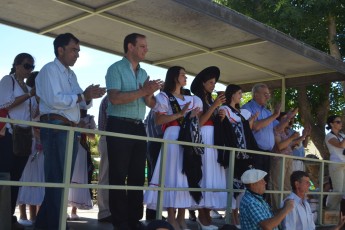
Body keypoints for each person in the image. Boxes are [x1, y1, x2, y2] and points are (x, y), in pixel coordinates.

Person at [34, 33, 106, 229]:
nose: (77, 54)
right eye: (74, 50)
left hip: (68, 128)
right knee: (58, 181)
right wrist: (83, 95)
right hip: (57, 128)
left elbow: (80, 101)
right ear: (60, 50)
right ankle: (53, 225)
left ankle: (45, 225)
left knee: (60, 182)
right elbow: (56, 99)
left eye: (78, 51)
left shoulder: (70, 74)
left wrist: (89, 96)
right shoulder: (49, 70)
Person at [105, 33, 162, 229]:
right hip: (119, 124)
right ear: (130, 47)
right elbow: (114, 98)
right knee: (119, 175)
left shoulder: (144, 73)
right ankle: (120, 222)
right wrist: (144, 91)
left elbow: (149, 103)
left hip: (139, 126)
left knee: (138, 175)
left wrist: (151, 94)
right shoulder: (115, 68)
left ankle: (134, 219)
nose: (146, 49)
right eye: (143, 46)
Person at [144, 66, 202, 230]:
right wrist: (179, 114)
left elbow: (198, 121)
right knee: (172, 176)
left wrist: (191, 117)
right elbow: (158, 121)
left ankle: (181, 218)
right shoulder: (164, 97)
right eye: (183, 75)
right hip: (172, 137)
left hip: (188, 140)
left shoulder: (192, 99)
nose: (186, 77)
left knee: (185, 176)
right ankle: (171, 217)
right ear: (174, 77)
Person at [0, 53, 38, 229]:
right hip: (8, 134)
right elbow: (4, 104)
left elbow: (33, 113)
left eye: (32, 66)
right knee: (5, 177)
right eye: (26, 65)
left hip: (23, 136)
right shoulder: (8, 80)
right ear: (16, 65)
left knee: (15, 179)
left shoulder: (25, 87)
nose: (29, 69)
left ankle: (8, 216)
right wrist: (30, 94)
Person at [215, 84, 259, 228]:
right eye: (239, 93)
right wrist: (220, 120)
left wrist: (251, 121)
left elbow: (246, 131)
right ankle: (233, 219)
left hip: (244, 155)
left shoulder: (242, 113)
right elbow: (222, 127)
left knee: (242, 188)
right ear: (232, 94)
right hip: (233, 154)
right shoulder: (224, 109)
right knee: (233, 186)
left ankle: (238, 218)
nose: (241, 95)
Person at [190, 66, 227, 229]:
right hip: (203, 138)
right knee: (204, 176)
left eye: (214, 82)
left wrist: (220, 114)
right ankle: (202, 218)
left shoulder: (211, 100)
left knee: (211, 176)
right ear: (202, 83)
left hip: (213, 140)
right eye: (210, 82)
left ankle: (207, 219)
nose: (213, 85)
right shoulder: (197, 100)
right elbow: (198, 123)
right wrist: (214, 107)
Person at [16, 71, 45, 227]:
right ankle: (23, 214)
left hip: (40, 142)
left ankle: (36, 216)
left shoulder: (43, 98)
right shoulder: (28, 96)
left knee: (38, 178)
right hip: (28, 140)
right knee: (26, 177)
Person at [242, 83, 281, 175]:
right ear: (256, 94)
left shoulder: (267, 112)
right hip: (255, 152)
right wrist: (274, 115)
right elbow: (255, 126)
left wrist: (288, 118)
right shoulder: (247, 108)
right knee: (255, 183)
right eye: (265, 94)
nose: (268, 97)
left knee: (264, 184)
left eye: (268, 95)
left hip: (267, 154)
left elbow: (278, 128)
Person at [68, 110, 95, 219]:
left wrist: (83, 129)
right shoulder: (70, 114)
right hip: (69, 146)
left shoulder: (89, 118)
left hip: (82, 149)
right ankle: (63, 210)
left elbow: (93, 137)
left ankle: (74, 210)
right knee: (68, 177)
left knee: (78, 178)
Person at [96, 95, 112, 223]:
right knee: (105, 175)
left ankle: (108, 210)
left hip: (108, 137)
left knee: (108, 176)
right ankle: (104, 211)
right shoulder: (109, 99)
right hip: (107, 137)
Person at [325, 115, 345, 211]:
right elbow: (340, 145)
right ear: (331, 124)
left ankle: (338, 213)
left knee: (343, 191)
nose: (340, 123)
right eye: (338, 122)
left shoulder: (342, 135)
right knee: (338, 190)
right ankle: (330, 209)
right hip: (336, 165)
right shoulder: (329, 136)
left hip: (344, 164)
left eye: (340, 121)